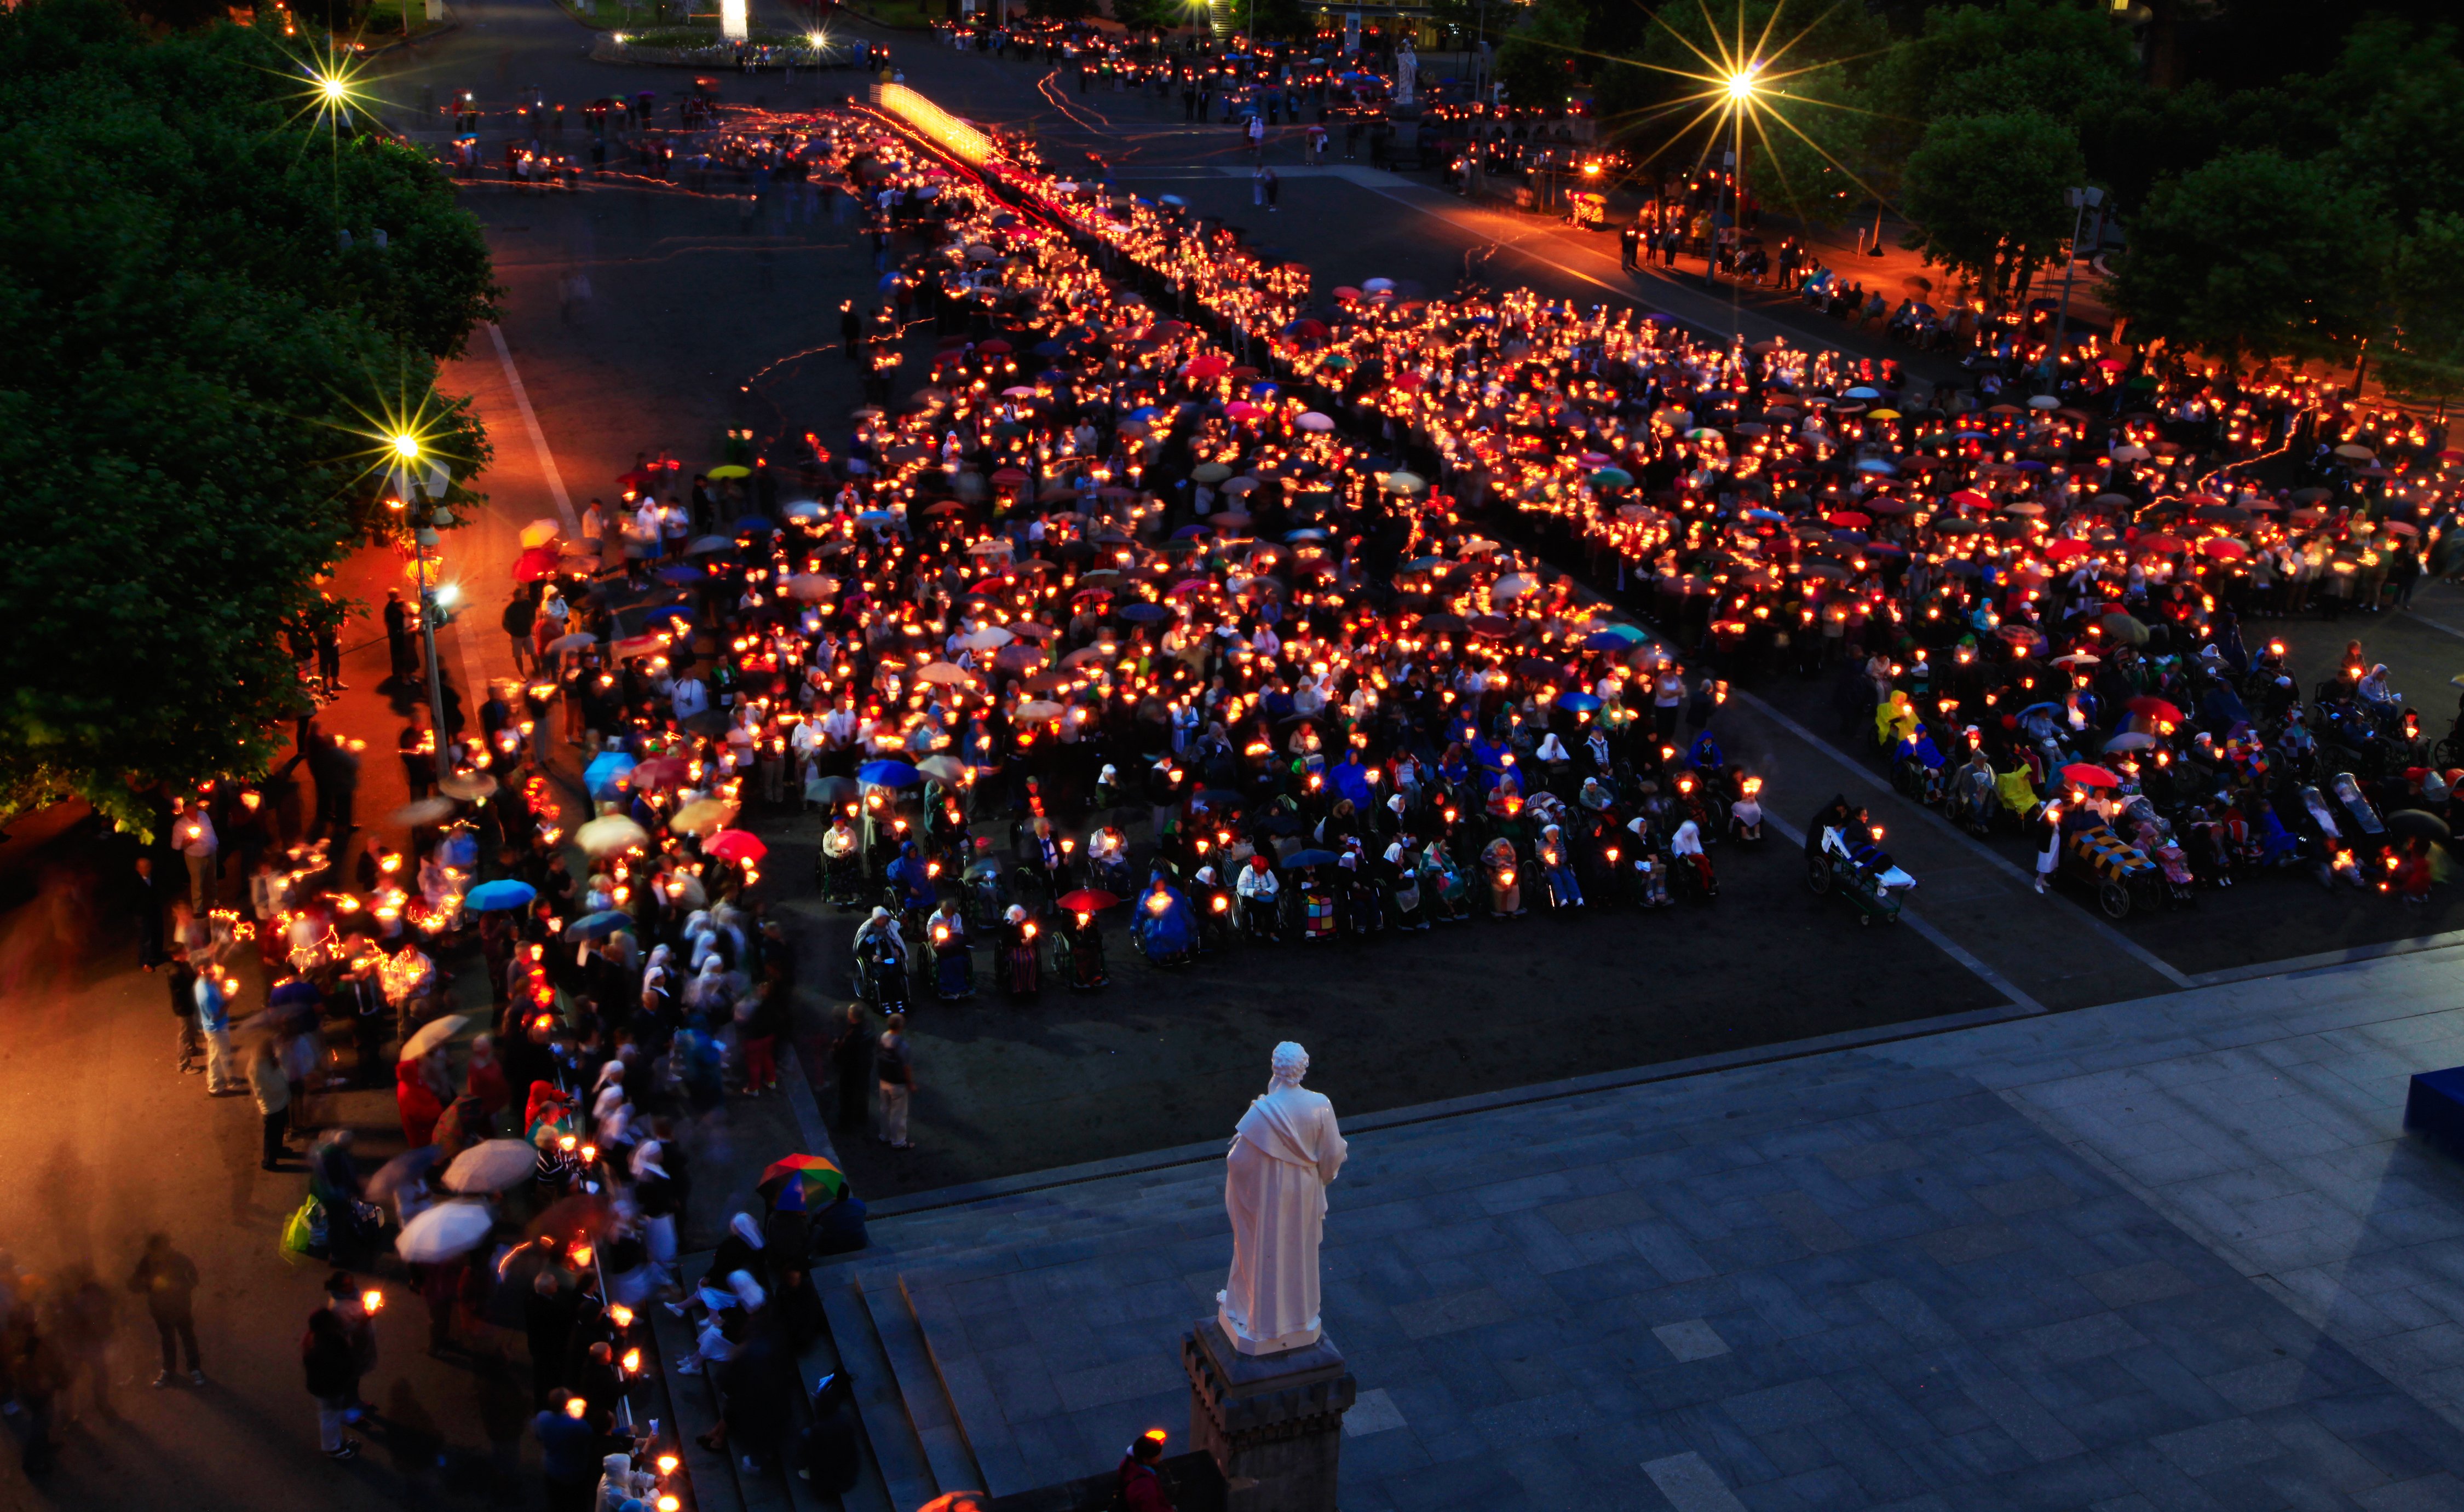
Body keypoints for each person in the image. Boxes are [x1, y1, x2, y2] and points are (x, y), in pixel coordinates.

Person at [128, 1233, 204, 1387]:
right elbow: (136, 1284)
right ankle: (169, 1370)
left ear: (167, 1248)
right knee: (167, 1339)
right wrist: (143, 1285)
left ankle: (195, 1369)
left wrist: (177, 1286)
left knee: (187, 1336)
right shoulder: (147, 1262)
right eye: (154, 1251)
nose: (156, 1254)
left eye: (160, 1250)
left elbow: (194, 1280)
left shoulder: (181, 1261)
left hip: (180, 1306)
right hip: (160, 1309)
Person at [303, 1305, 362, 1459]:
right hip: (329, 1389)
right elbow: (340, 1365)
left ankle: (337, 1442)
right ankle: (333, 1448)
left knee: (332, 1416)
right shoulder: (328, 1345)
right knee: (329, 1417)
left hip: (324, 1387)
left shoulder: (316, 1339)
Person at [828, 1002, 873, 1132]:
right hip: (865, 1066)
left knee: (846, 1096)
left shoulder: (852, 1036)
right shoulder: (868, 1027)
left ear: (853, 1018)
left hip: (851, 1070)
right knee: (862, 1092)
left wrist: (836, 1048)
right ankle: (861, 1117)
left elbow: (843, 1055)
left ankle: (845, 1124)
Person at [250, 1040, 293, 1170]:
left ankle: (279, 1149)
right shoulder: (258, 1068)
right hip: (271, 1106)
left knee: (279, 1129)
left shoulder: (267, 1062)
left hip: (279, 1103)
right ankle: (269, 1162)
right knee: (271, 1135)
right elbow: (275, 1086)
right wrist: (285, 1078)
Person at [876, 1013, 914, 1149]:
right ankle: (898, 1142)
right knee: (898, 1113)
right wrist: (910, 1083)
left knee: (885, 1109)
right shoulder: (903, 1046)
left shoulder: (881, 1037)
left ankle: (884, 1136)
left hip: (883, 1080)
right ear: (900, 1027)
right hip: (897, 1084)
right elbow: (907, 1068)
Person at [1117, 1431, 1177, 1511]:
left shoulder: (1127, 1464)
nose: (1161, 1455)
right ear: (1146, 1459)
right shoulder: (1145, 1487)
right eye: (1157, 1454)